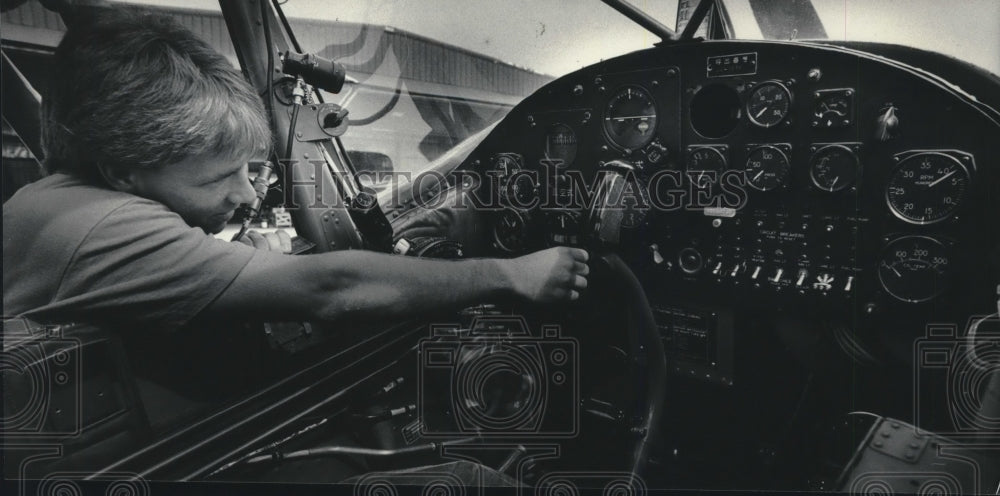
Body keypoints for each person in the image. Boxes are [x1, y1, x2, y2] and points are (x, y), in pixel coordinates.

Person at [2, 8, 589, 331]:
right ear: (122, 169)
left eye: (248, 171)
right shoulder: (102, 227)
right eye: (216, 178)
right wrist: (513, 276)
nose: (244, 195)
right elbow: (334, 289)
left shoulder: (65, 201)